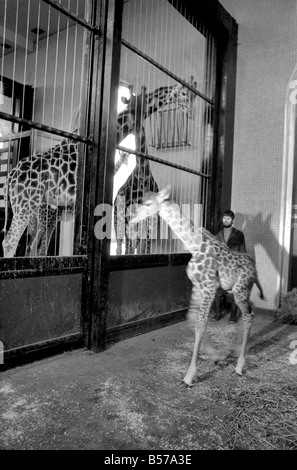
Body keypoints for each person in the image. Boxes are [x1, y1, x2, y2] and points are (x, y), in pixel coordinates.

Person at [212, 210, 246, 323]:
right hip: (220, 268)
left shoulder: (239, 235)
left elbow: (243, 253)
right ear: (222, 219)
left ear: (233, 220)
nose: (226, 220)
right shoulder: (218, 235)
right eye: (224, 218)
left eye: (228, 218)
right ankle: (218, 313)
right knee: (217, 292)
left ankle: (233, 316)